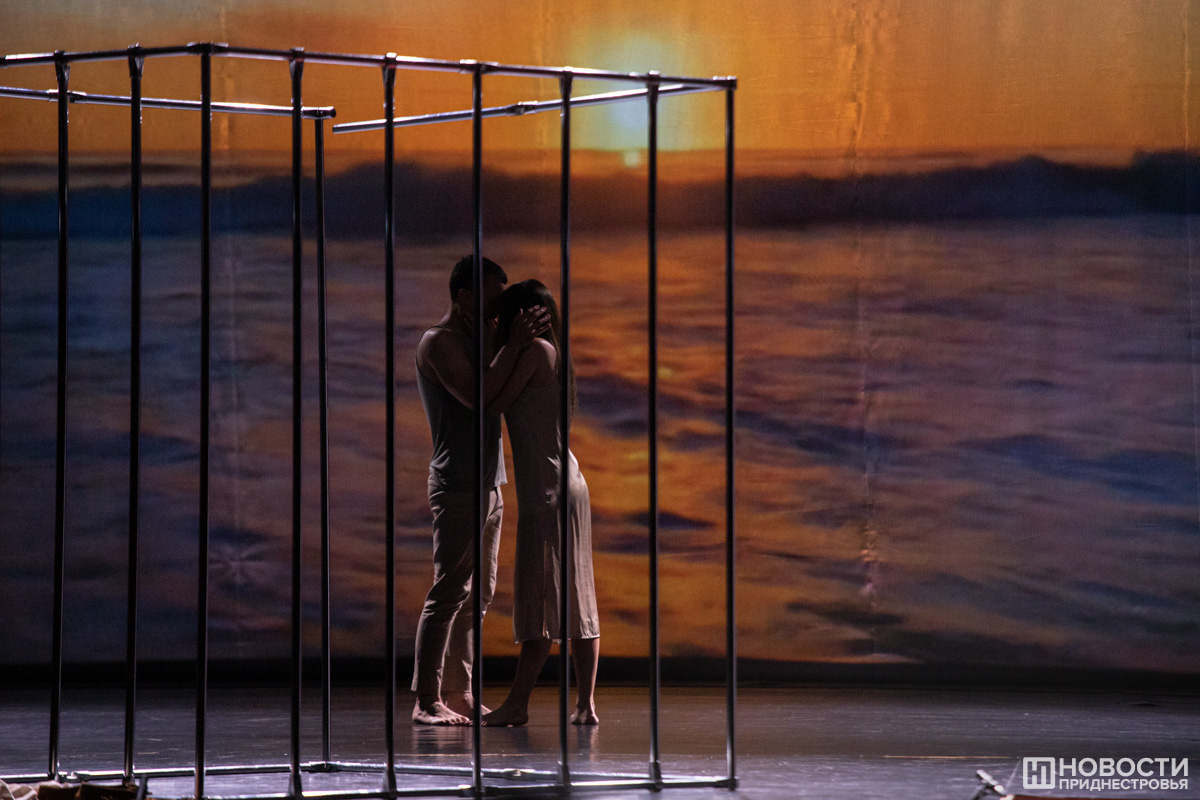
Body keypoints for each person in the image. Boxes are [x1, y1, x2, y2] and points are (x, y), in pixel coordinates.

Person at [411, 256, 549, 726]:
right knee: (449, 591)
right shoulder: (439, 343)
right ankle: (426, 699)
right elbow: (481, 395)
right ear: (464, 296)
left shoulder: (484, 338)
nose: (498, 310)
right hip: (457, 483)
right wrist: (513, 344)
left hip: (491, 482)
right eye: (491, 299)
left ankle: (461, 691)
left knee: (479, 596)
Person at [481, 279, 600, 727]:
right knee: (575, 596)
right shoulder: (554, 352)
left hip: (548, 493)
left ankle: (518, 704)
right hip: (563, 484)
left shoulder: (534, 352)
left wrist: (510, 345)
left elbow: (490, 401)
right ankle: (584, 705)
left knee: (543, 601)